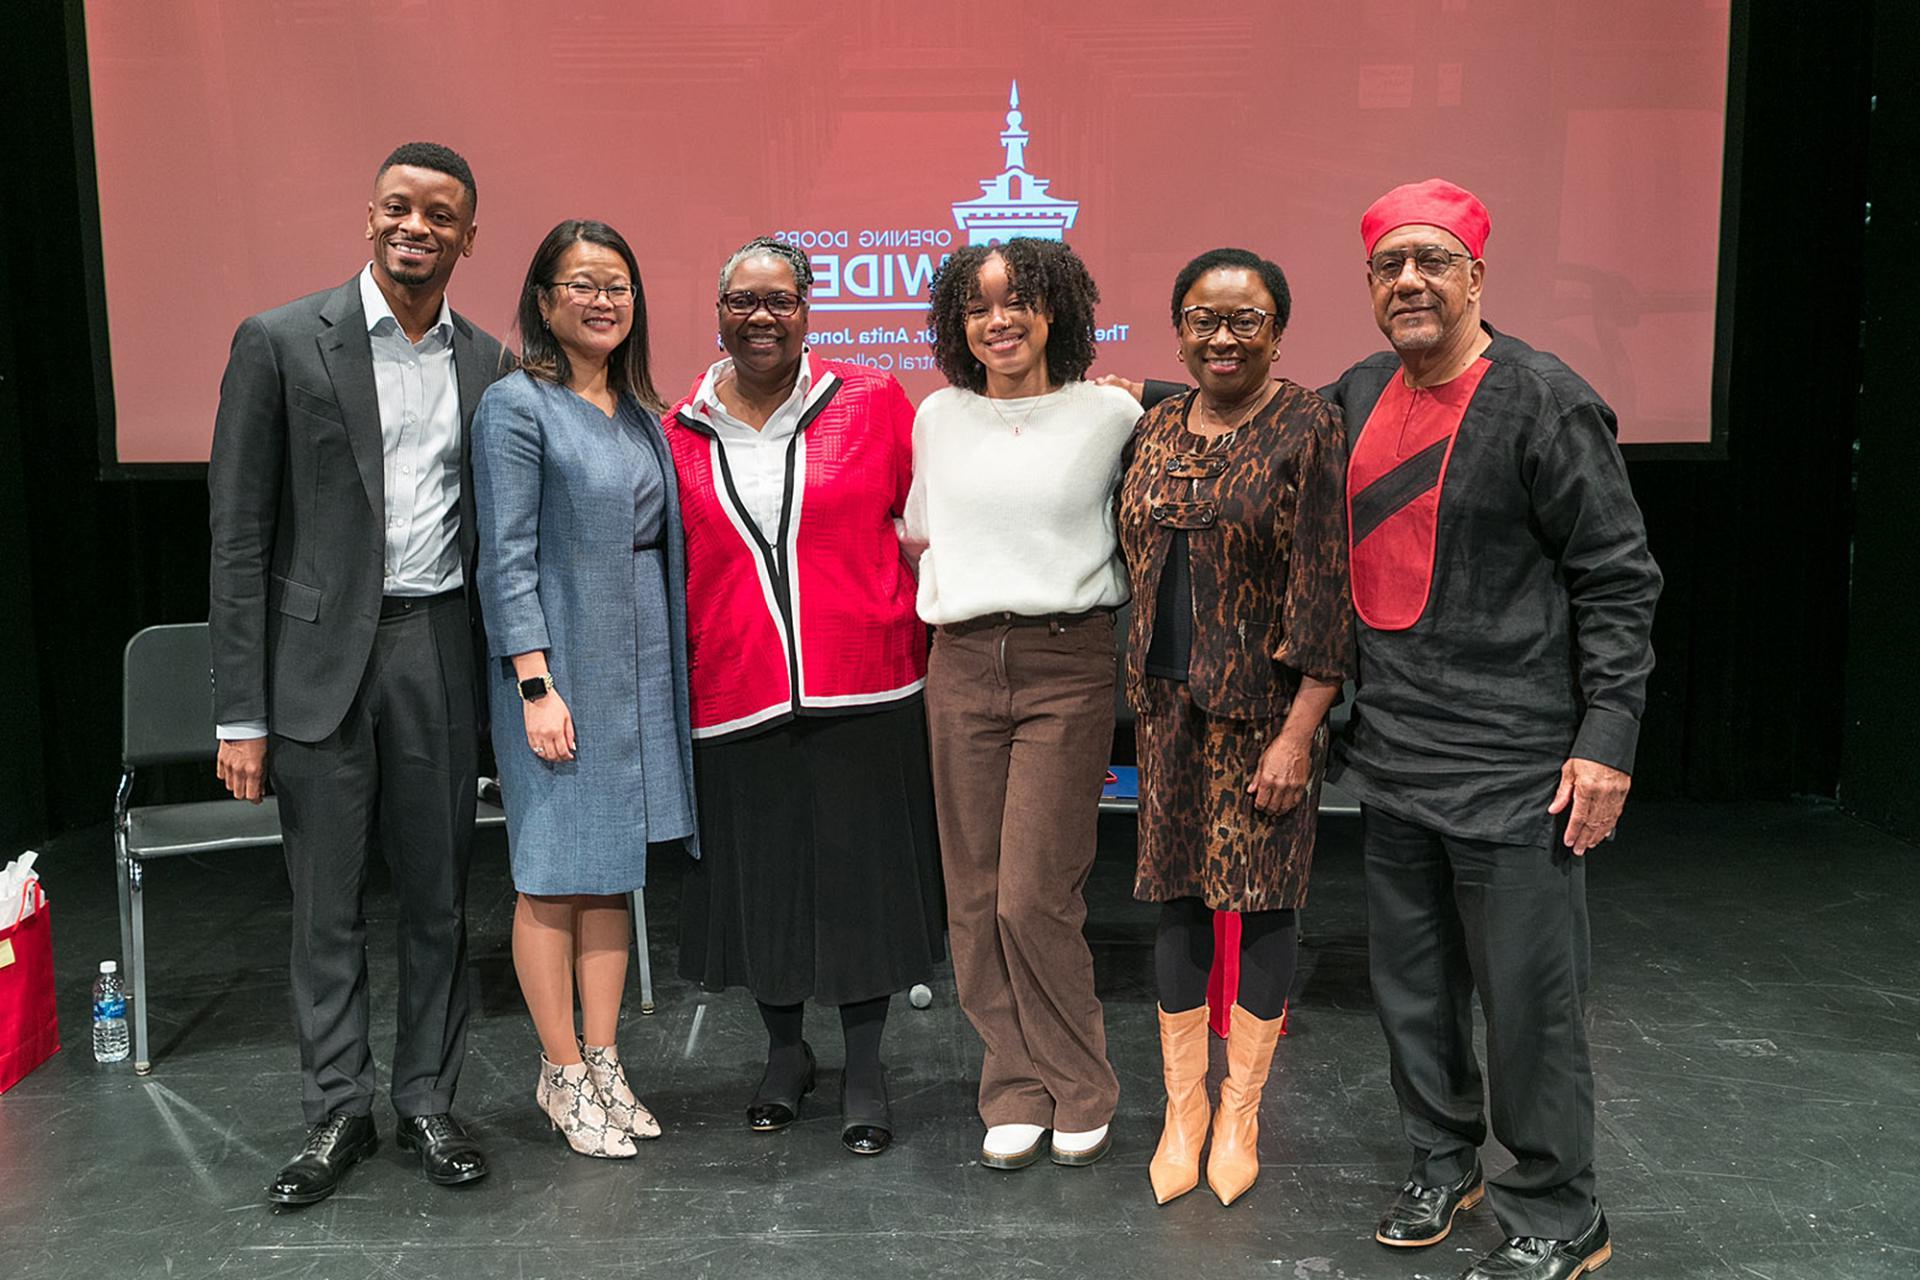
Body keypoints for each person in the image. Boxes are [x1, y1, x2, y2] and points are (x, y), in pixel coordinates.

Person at [1323, 179, 1660, 1280]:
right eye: (1388, 265)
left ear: (1476, 272)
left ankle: (1562, 1212)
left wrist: (1606, 735)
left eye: (1431, 260)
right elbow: (1255, 421)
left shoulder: (1546, 401)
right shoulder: (1362, 388)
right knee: (1411, 991)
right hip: (1394, 757)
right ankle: (1441, 1157)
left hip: (1516, 767)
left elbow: (1619, 579)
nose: (1408, 280)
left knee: (1529, 1008)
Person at [208, 142, 503, 1204]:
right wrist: (239, 709)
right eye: (397, 208)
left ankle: (427, 1097)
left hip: (437, 648)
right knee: (325, 906)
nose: (414, 227)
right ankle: (338, 1109)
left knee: (438, 900)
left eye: (439, 214)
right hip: (315, 667)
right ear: (368, 215)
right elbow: (238, 540)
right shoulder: (282, 341)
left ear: (470, 234)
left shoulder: (488, 361)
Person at [665, 237, 943, 1158]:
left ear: (809, 307)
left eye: (779, 299)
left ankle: (865, 1063)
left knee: (864, 888)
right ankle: (786, 1053)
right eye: (742, 299)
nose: (762, 316)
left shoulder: (870, 402)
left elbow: (928, 520)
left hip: (865, 684)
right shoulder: (677, 429)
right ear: (717, 313)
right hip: (735, 692)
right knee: (766, 888)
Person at [1117, 248, 1352, 1207]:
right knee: (1175, 898)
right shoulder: (1158, 426)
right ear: (1179, 328)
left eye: (1245, 319)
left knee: (1260, 906)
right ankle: (1185, 1111)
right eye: (1204, 319)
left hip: (1265, 715)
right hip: (1165, 706)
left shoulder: (1310, 426)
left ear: (1278, 331)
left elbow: (1328, 589)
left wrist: (1301, 730)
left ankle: (1241, 1110)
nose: (1223, 336)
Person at [905, 237, 1139, 1171]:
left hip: (1065, 662)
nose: (997, 321)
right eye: (976, 307)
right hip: (959, 661)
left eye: (1017, 301)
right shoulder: (937, 418)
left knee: (1034, 893)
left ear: (1058, 310)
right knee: (973, 897)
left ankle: (1081, 1083)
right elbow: (923, 530)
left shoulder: (1112, 413)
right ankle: (1013, 1084)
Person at [471, 220, 694, 1158]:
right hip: (559, 668)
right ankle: (560, 1072)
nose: (603, 301)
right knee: (554, 876)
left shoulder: (641, 411)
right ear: (545, 300)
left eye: (619, 286)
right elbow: (504, 555)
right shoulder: (517, 405)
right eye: (583, 284)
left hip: (639, 663)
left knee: (614, 872)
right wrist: (534, 684)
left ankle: (604, 1059)